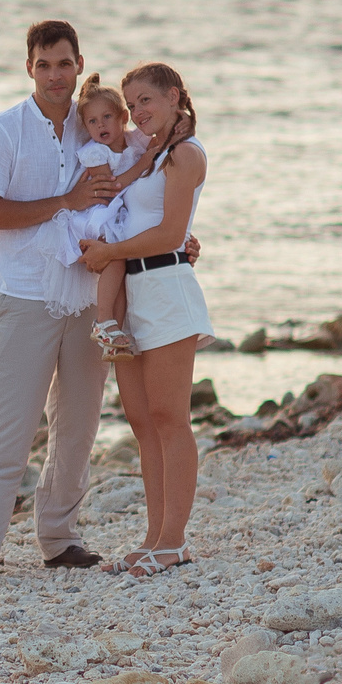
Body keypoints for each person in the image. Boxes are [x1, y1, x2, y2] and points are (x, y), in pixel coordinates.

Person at [0, 21, 121, 589]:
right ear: (30, 67)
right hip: (23, 293)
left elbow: (142, 178)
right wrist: (64, 202)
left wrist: (179, 236)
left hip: (84, 293)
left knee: (77, 425)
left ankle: (59, 538)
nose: (55, 75)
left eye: (65, 64)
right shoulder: (5, 130)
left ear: (79, 66)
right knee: (7, 426)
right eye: (44, 64)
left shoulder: (94, 126)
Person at [77, 62, 211, 576]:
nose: (138, 112)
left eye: (147, 101)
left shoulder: (186, 154)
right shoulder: (149, 155)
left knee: (170, 419)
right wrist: (114, 257)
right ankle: (153, 536)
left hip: (167, 290)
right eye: (132, 105)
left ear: (175, 96)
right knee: (141, 421)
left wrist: (107, 253)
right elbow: (141, 217)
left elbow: (171, 233)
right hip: (133, 290)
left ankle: (174, 540)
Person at [43, 75, 156, 359]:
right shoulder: (94, 153)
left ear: (123, 117)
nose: (100, 125)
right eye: (92, 121)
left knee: (120, 270)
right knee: (116, 258)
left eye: (107, 117)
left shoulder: (133, 141)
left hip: (120, 216)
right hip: (97, 216)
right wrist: (143, 164)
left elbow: (161, 134)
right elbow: (111, 187)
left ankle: (113, 331)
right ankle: (103, 321)